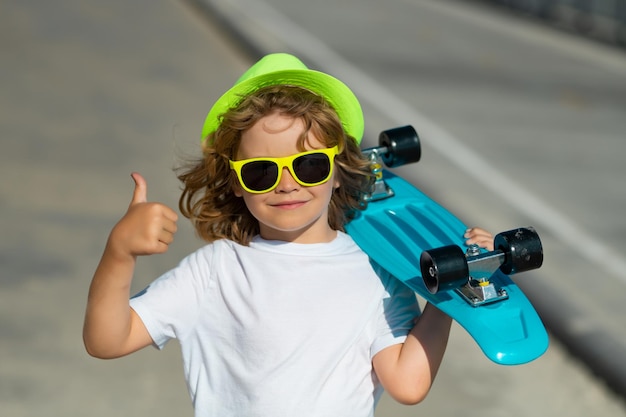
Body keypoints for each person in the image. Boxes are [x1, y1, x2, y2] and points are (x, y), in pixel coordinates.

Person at [83, 53, 494, 416]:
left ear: (338, 171)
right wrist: (119, 253)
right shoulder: (216, 271)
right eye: (261, 171)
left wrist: (450, 288)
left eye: (309, 165)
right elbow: (107, 339)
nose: (286, 184)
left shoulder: (375, 270)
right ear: (237, 182)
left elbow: (407, 383)